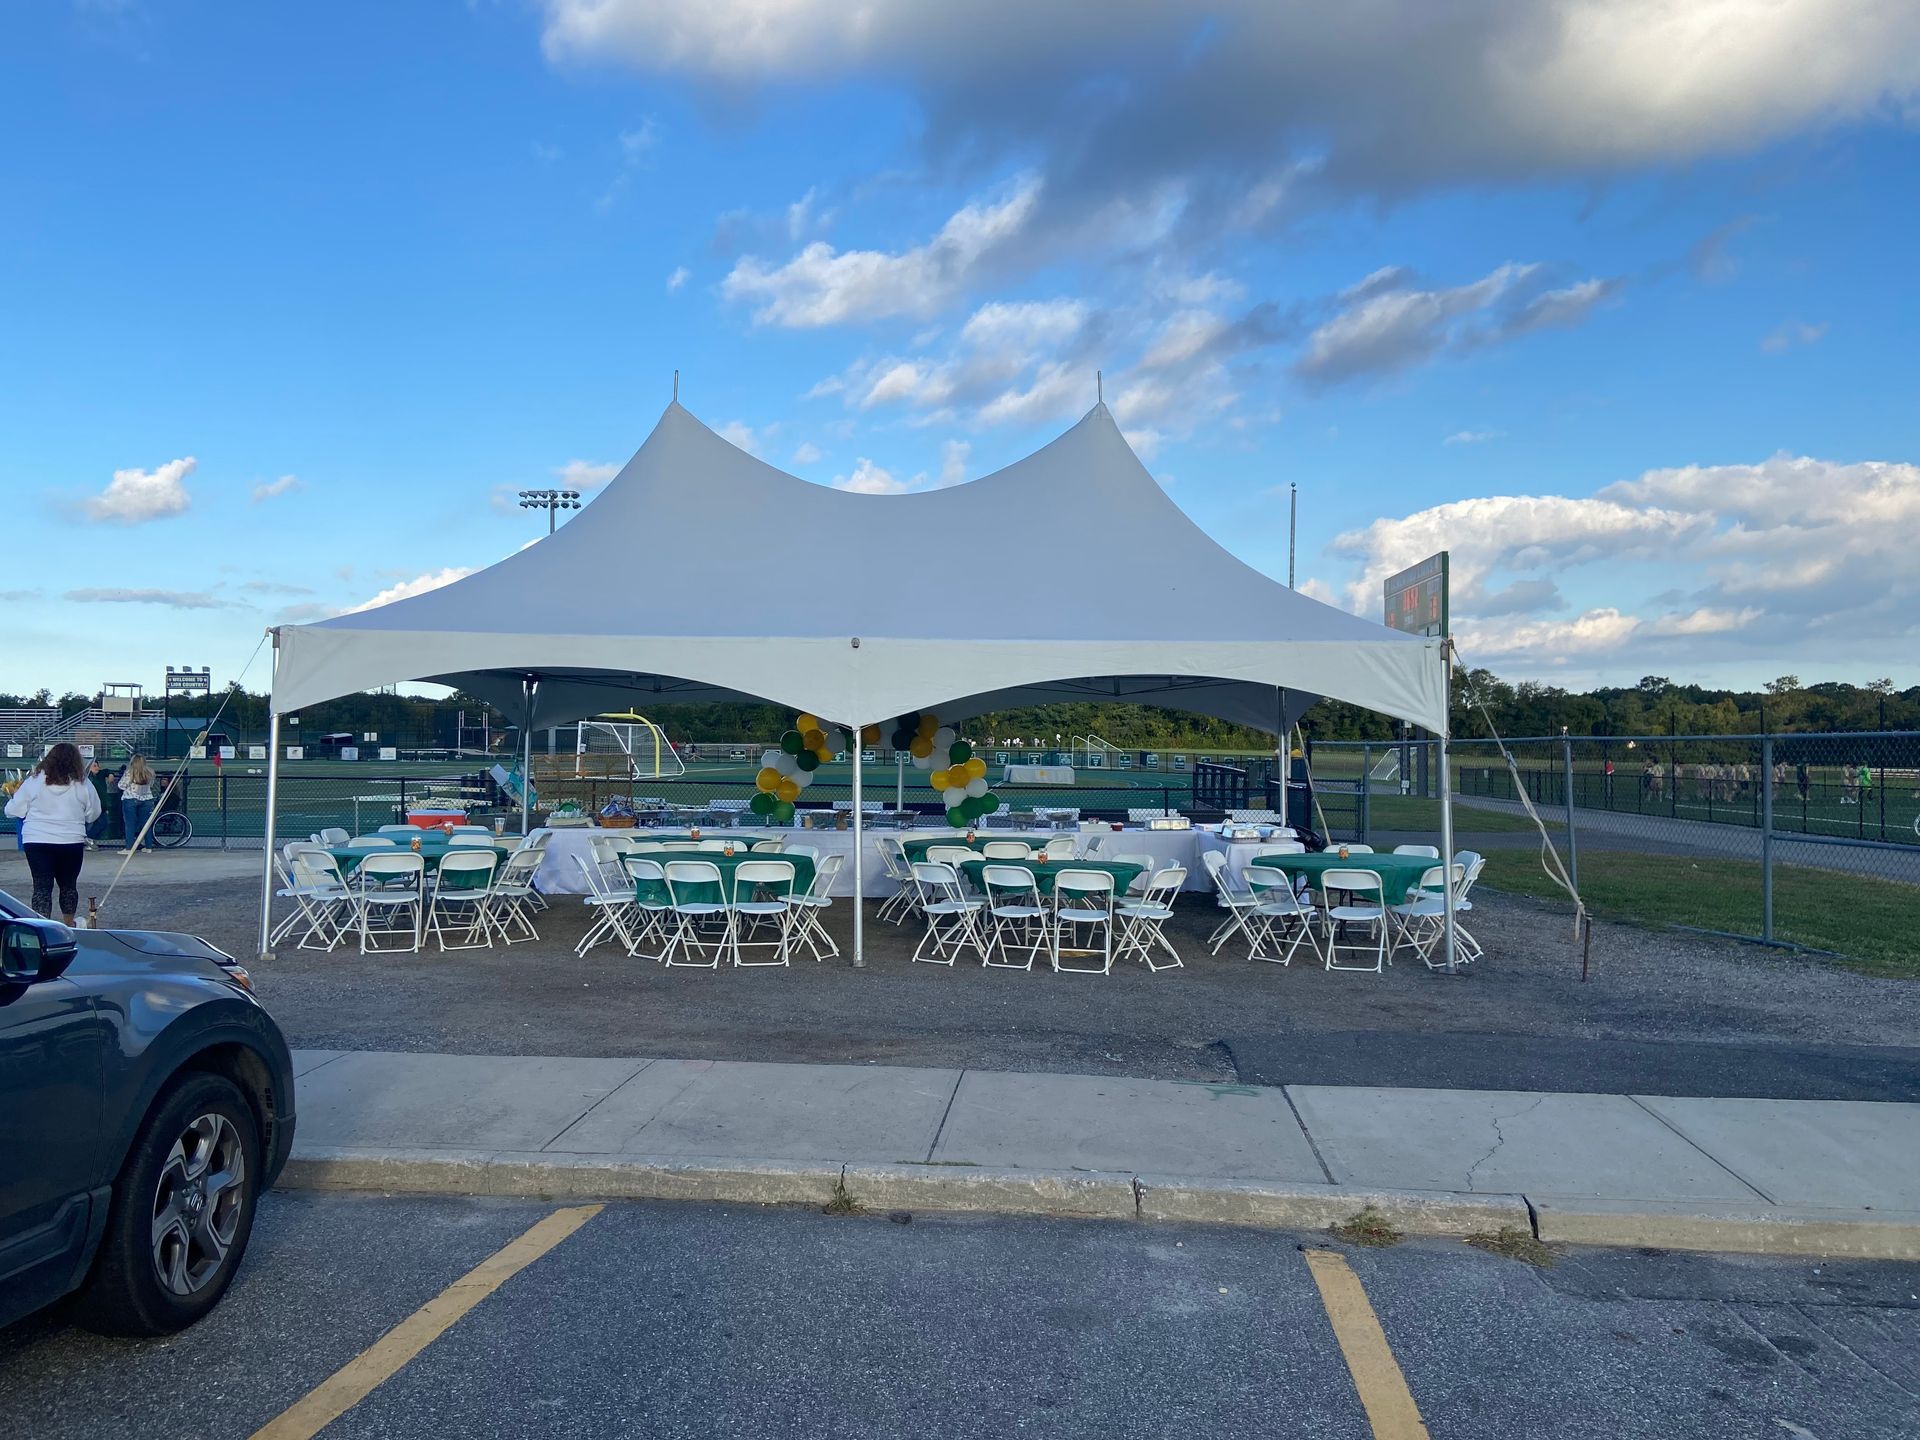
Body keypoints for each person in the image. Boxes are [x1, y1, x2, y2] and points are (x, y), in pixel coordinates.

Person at [4, 742, 101, 922]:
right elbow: (93, 813)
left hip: (37, 839)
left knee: (41, 886)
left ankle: (42, 926)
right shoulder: (83, 783)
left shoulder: (33, 781)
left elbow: (13, 810)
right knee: (68, 885)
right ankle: (68, 923)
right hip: (70, 839)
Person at [118, 753, 157, 853]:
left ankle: (129, 848)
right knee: (146, 824)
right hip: (147, 799)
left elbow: (121, 785)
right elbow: (151, 785)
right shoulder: (150, 772)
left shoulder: (129, 772)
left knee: (130, 824)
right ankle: (148, 846)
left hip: (131, 799)